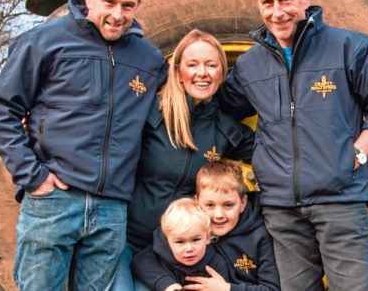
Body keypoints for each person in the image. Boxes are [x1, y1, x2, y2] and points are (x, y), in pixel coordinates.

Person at [216, 0, 368, 291]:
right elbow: (221, 108)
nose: (278, 12)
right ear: (258, 4)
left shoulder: (349, 48)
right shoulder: (249, 65)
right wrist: (257, 152)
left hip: (340, 201)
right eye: (268, 2)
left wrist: (356, 155)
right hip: (282, 211)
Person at [0, 0, 168, 290]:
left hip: (111, 207)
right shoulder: (44, 42)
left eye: (128, 5)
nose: (118, 15)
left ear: (139, 3)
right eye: (109, 2)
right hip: (53, 199)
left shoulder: (149, 59)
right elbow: (0, 107)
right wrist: (32, 176)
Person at [113, 29, 255, 291]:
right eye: (192, 65)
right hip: (129, 242)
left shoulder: (224, 129)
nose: (202, 73)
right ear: (178, 71)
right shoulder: (150, 113)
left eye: (211, 65)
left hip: (180, 255)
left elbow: (273, 156)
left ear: (221, 73)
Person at [190, 160, 280, 291]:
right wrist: (168, 284)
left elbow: (272, 289)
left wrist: (227, 289)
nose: (219, 215)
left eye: (228, 205)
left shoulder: (260, 236)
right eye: (210, 205)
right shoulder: (189, 225)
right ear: (197, 202)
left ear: (243, 203)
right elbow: (152, 258)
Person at [131, 197, 230, 291]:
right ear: (168, 241)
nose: (189, 249)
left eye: (195, 240)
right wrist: (167, 284)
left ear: (208, 237)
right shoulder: (159, 255)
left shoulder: (217, 264)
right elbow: (138, 262)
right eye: (180, 242)